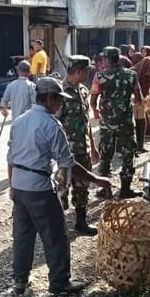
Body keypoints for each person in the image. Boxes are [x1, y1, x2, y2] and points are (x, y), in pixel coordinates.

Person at [8, 77, 111, 296]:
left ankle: (20, 280)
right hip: (39, 187)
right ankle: (60, 282)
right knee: (56, 235)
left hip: (19, 184)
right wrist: (98, 180)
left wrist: (12, 187)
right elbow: (68, 163)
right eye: (59, 101)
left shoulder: (20, 120)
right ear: (50, 98)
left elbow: (10, 158)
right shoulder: (51, 125)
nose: (61, 105)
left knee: (23, 235)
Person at [56, 55, 101, 235]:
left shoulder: (83, 90)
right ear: (79, 71)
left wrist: (92, 144)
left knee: (82, 188)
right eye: (86, 71)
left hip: (83, 149)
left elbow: (86, 121)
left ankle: (81, 222)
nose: (87, 75)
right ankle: (57, 225)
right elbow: (54, 123)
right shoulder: (60, 91)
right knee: (61, 189)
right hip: (66, 152)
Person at [90, 47, 144, 198]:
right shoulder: (131, 75)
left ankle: (104, 189)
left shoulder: (99, 76)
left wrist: (97, 110)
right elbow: (139, 99)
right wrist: (125, 102)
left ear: (106, 59)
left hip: (106, 123)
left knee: (105, 153)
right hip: (125, 122)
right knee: (128, 154)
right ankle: (125, 189)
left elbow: (93, 100)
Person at [132, 52, 150, 153]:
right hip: (132, 104)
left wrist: (146, 97)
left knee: (142, 124)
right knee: (133, 126)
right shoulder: (132, 73)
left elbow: (149, 91)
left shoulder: (148, 77)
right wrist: (135, 98)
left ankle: (140, 146)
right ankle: (132, 148)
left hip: (142, 105)